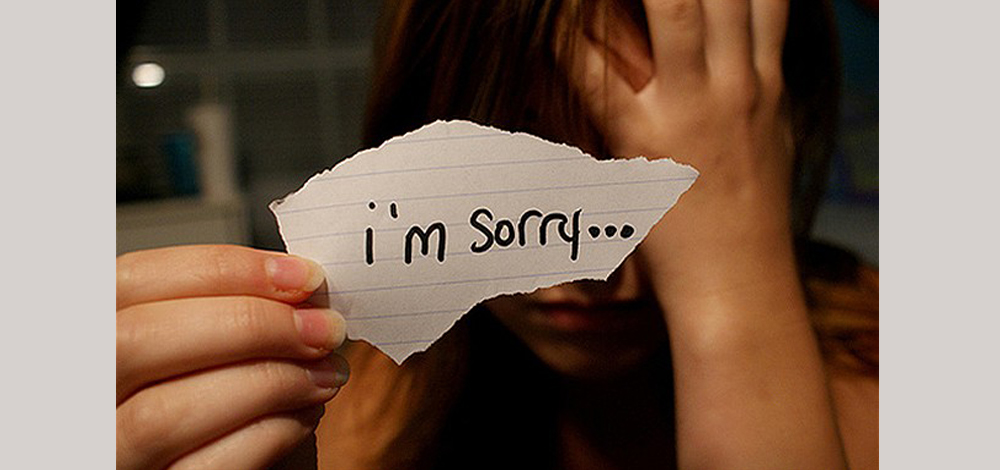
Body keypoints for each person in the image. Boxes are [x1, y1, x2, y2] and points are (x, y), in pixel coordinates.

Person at [116, 1, 878, 469]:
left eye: (664, 183)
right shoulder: (326, 408)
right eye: (522, 171)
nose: (592, 274)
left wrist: (732, 287)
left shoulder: (880, 365)